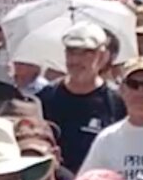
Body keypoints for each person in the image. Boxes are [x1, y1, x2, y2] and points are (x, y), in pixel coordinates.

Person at [38, 22, 128, 172]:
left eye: (86, 53)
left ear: (103, 56)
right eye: (71, 52)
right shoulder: (45, 98)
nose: (76, 61)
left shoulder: (117, 102)